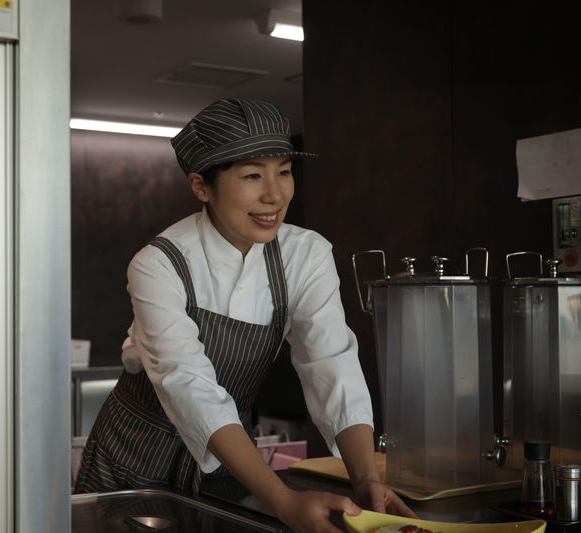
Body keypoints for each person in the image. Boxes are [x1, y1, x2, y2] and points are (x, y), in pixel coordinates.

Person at [74, 98, 416, 531]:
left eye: (284, 172)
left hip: (230, 463)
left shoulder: (305, 255)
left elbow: (331, 362)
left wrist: (366, 479)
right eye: (253, 175)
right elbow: (188, 384)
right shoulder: (158, 264)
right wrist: (283, 501)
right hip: (131, 460)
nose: (275, 194)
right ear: (201, 186)